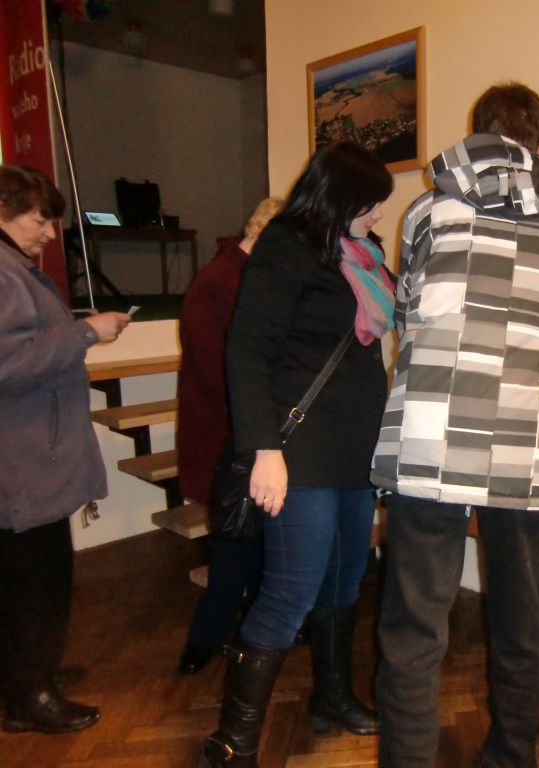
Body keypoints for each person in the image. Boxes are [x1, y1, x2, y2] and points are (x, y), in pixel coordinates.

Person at [371, 82, 539, 768]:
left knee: (415, 623)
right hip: (528, 447)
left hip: (431, 437)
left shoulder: (427, 211)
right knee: (519, 614)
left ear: (478, 134)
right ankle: (510, 757)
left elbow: (407, 311)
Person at [197, 141, 394, 768]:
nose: (380, 216)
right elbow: (246, 351)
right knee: (290, 591)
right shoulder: (287, 245)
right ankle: (232, 743)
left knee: (344, 581)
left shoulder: (363, 255)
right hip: (297, 450)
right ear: (341, 197)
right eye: (372, 204)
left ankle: (330, 699)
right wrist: (265, 449)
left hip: (355, 447)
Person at [0, 164, 131, 733]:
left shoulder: (12, 269)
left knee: (25, 580)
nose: (50, 234)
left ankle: (26, 678)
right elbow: (8, 364)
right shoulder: (4, 273)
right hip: (23, 459)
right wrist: (84, 333)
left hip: (24, 454)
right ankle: (30, 697)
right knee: (37, 582)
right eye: (40, 219)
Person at [176, 197, 283, 675]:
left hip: (246, 435)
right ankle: (205, 640)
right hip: (226, 438)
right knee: (234, 548)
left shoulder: (247, 277)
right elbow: (221, 372)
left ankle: (249, 637)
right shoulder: (217, 282)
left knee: (253, 543)